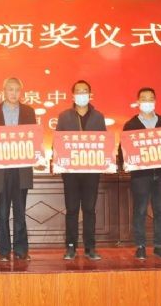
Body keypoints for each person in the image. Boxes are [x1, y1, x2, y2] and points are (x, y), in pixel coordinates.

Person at [0, 77, 36, 262]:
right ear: (3, 91)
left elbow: (34, 138)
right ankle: (3, 251)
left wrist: (37, 155)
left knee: (20, 212)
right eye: (10, 89)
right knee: (2, 212)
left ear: (21, 92)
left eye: (17, 90)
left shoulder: (29, 112)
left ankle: (21, 250)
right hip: (0, 170)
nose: (14, 93)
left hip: (21, 169)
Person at [56, 80, 105, 261]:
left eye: (85, 91)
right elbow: (58, 142)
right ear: (73, 95)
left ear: (90, 94)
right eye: (78, 91)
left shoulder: (98, 117)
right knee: (72, 209)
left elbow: (104, 143)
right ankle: (71, 247)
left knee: (90, 209)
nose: (82, 94)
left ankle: (90, 247)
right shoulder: (64, 116)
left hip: (91, 171)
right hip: (70, 172)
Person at [123, 87, 161, 260]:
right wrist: (126, 162)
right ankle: (140, 246)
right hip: (140, 175)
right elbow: (123, 149)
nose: (147, 102)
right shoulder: (131, 125)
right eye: (143, 99)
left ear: (155, 101)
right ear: (138, 102)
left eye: (150, 98)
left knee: (160, 210)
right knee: (140, 210)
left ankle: (159, 246)